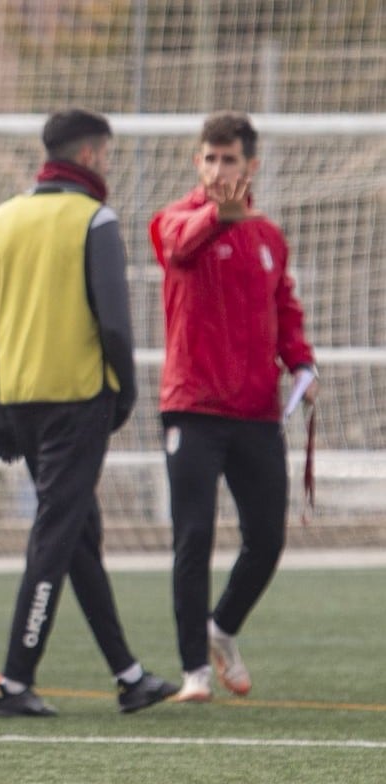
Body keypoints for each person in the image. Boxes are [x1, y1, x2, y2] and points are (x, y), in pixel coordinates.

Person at [0, 108, 177, 717]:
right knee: (58, 534)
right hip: (79, 403)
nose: (108, 165)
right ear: (90, 155)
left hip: (22, 403)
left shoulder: (3, 218)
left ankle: (129, 674)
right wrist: (127, 392)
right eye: (107, 155)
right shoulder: (96, 219)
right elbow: (114, 322)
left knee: (79, 534)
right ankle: (15, 680)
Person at [150, 111, 318, 703]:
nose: (219, 169)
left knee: (267, 540)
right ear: (197, 162)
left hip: (255, 413)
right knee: (192, 535)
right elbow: (179, 248)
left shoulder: (269, 236)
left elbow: (285, 311)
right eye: (210, 158)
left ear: (251, 165)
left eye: (230, 160)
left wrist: (301, 364)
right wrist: (216, 216)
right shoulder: (175, 220)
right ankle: (195, 670)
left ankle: (220, 629)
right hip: (192, 406)